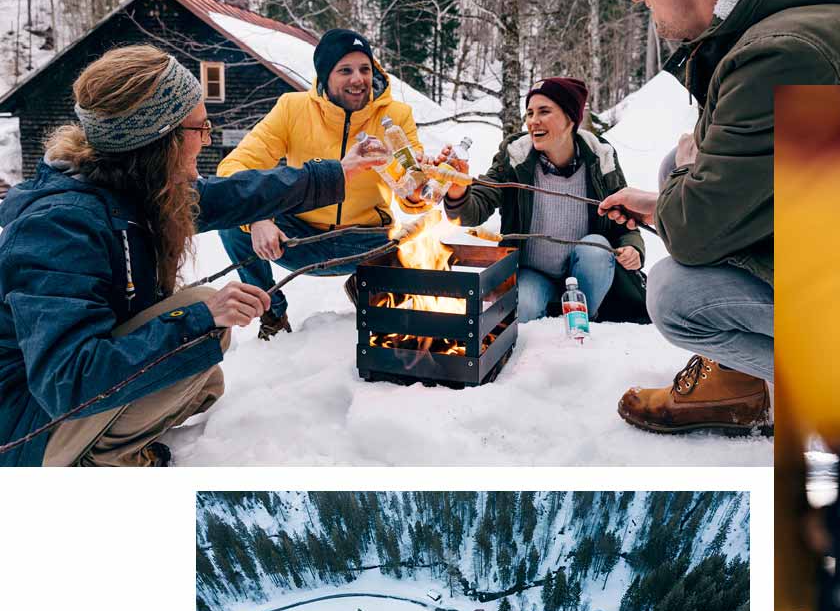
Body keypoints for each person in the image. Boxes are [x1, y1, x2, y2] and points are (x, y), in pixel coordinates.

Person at [0, 45, 386, 467]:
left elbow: (234, 194)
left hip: (55, 407)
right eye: (200, 129)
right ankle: (98, 462)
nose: (206, 140)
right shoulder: (58, 229)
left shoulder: (129, 186)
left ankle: (109, 441)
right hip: (26, 430)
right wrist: (204, 318)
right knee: (198, 321)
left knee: (205, 382)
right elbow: (67, 381)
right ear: (158, 141)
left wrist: (337, 172)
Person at [597, 0, 840, 435]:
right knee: (673, 169)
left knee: (673, 295)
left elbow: (692, 235)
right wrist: (666, 196)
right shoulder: (769, 21)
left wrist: (680, 190)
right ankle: (739, 379)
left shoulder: (779, 53)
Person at [217, 28, 422, 339]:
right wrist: (259, 218)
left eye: (365, 69)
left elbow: (414, 199)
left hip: (366, 241)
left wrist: (410, 179)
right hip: (299, 236)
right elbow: (232, 168)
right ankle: (272, 311)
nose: (358, 79)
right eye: (345, 70)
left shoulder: (396, 116)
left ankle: (368, 286)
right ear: (325, 75)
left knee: (422, 237)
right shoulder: (292, 108)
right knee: (234, 225)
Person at [441, 77, 646, 323]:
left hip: (586, 272)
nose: (533, 121)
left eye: (544, 111)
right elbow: (474, 208)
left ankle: (585, 320)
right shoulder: (515, 158)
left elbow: (624, 220)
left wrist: (633, 248)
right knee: (524, 308)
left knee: (597, 247)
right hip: (532, 272)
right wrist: (457, 190)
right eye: (529, 113)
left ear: (570, 119)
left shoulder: (600, 160)